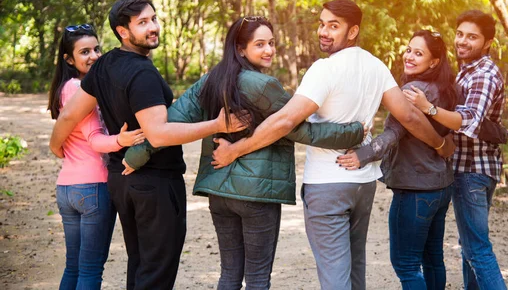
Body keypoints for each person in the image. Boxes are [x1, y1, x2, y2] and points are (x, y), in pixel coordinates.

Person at [210, 0, 456, 290]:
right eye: (322, 24)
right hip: (363, 185)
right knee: (354, 273)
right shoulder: (375, 66)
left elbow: (285, 121)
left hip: (328, 184)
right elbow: (410, 117)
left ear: (352, 32)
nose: (324, 32)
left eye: (333, 26)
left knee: (335, 279)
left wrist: (235, 150)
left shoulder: (324, 69)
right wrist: (440, 144)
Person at [123, 15, 365, 289]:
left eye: (271, 43)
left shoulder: (211, 80)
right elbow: (301, 130)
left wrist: (136, 155)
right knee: (258, 280)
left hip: (218, 192)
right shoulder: (264, 86)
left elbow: (172, 120)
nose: (269, 50)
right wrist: (354, 132)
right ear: (240, 49)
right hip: (256, 195)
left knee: (229, 275)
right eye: (260, 44)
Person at [49, 0, 247, 290]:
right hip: (153, 184)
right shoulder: (141, 72)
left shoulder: (104, 65)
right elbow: (159, 134)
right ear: (122, 31)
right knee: (154, 274)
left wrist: (56, 148)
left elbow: (67, 117)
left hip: (122, 182)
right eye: (142, 22)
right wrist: (218, 124)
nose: (153, 27)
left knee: (141, 267)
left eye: (153, 19)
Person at [337, 29, 457, 290]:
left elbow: (393, 133)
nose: (410, 57)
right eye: (409, 50)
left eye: (419, 53)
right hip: (442, 186)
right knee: (433, 258)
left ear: (434, 61)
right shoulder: (444, 88)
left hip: (416, 189)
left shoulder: (413, 91)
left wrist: (363, 155)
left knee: (406, 263)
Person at [404, 10, 507, 290]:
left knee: (476, 248)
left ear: (487, 43)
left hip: (473, 169)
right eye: (460, 34)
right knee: (469, 247)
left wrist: (429, 108)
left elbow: (469, 120)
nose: (462, 41)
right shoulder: (467, 71)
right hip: (467, 168)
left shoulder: (484, 75)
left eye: (472, 37)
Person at [48, 24, 145, 290]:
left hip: (67, 187)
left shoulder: (65, 87)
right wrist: (120, 141)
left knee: (74, 266)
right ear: (69, 59)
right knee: (90, 270)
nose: (93, 56)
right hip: (93, 188)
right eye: (84, 51)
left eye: (96, 49)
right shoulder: (81, 89)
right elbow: (94, 139)